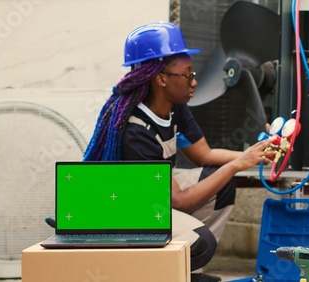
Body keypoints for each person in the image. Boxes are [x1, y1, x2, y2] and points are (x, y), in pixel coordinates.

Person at [83, 22, 275, 282]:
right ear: (161, 79)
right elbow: (179, 201)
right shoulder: (135, 132)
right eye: (187, 75)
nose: (194, 81)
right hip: (130, 208)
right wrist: (237, 164)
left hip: (158, 193)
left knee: (222, 184)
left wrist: (258, 154)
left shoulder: (175, 106)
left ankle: (188, 273)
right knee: (200, 242)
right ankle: (169, 270)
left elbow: (204, 154)